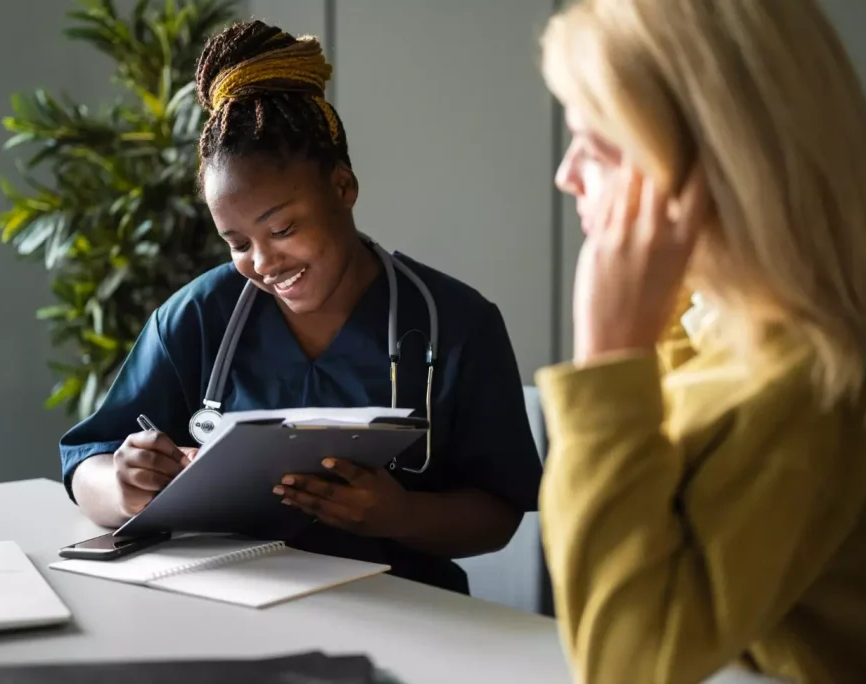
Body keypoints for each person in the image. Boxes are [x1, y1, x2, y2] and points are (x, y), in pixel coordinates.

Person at [59, 19, 542, 596]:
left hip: (406, 613)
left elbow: (497, 515)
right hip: (223, 605)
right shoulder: (198, 316)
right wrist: (123, 485)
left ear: (343, 187)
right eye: (237, 243)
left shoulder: (457, 325)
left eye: (282, 227)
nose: (263, 261)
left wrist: (397, 516)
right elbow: (85, 463)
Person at [535, 0, 866, 682]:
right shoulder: (731, 321)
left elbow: (626, 666)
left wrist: (608, 356)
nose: (565, 176)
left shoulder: (811, 379)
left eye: (595, 147)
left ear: (708, 170)